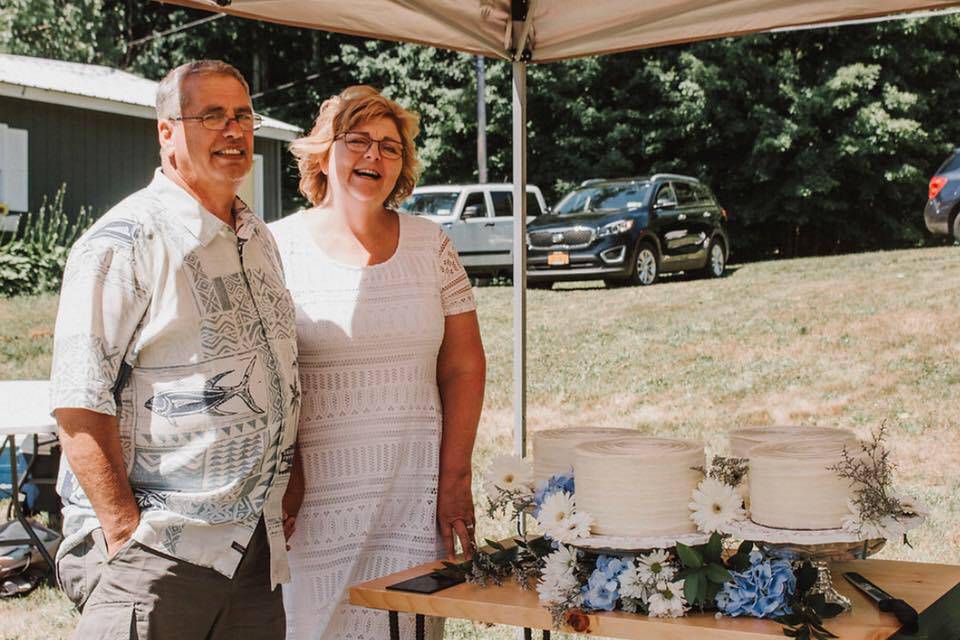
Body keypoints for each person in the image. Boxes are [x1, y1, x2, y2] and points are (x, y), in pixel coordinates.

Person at [49, 60, 301, 639]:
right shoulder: (122, 243)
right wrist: (123, 532)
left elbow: (278, 366)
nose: (233, 131)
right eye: (211, 116)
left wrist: (294, 472)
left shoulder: (257, 236)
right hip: (160, 550)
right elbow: (78, 405)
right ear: (167, 131)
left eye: (243, 115)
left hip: (252, 546)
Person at [270, 85, 486, 640]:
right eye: (358, 141)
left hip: (413, 494)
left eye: (390, 148)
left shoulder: (431, 245)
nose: (374, 157)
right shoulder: (276, 249)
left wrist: (454, 478)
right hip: (313, 501)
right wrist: (284, 473)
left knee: (406, 629)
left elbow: (463, 366)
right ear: (323, 153)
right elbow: (263, 377)